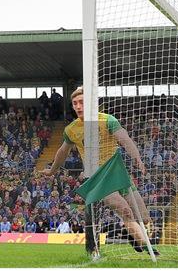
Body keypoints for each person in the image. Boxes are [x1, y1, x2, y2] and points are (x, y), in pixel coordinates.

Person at [42, 86, 159, 256]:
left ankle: (130, 234)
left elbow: (125, 139)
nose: (78, 106)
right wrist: (52, 170)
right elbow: (62, 152)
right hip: (98, 179)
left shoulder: (107, 120)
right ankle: (151, 251)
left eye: (82, 102)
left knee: (145, 218)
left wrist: (137, 158)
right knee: (125, 211)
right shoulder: (71, 129)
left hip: (118, 173)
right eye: (75, 103)